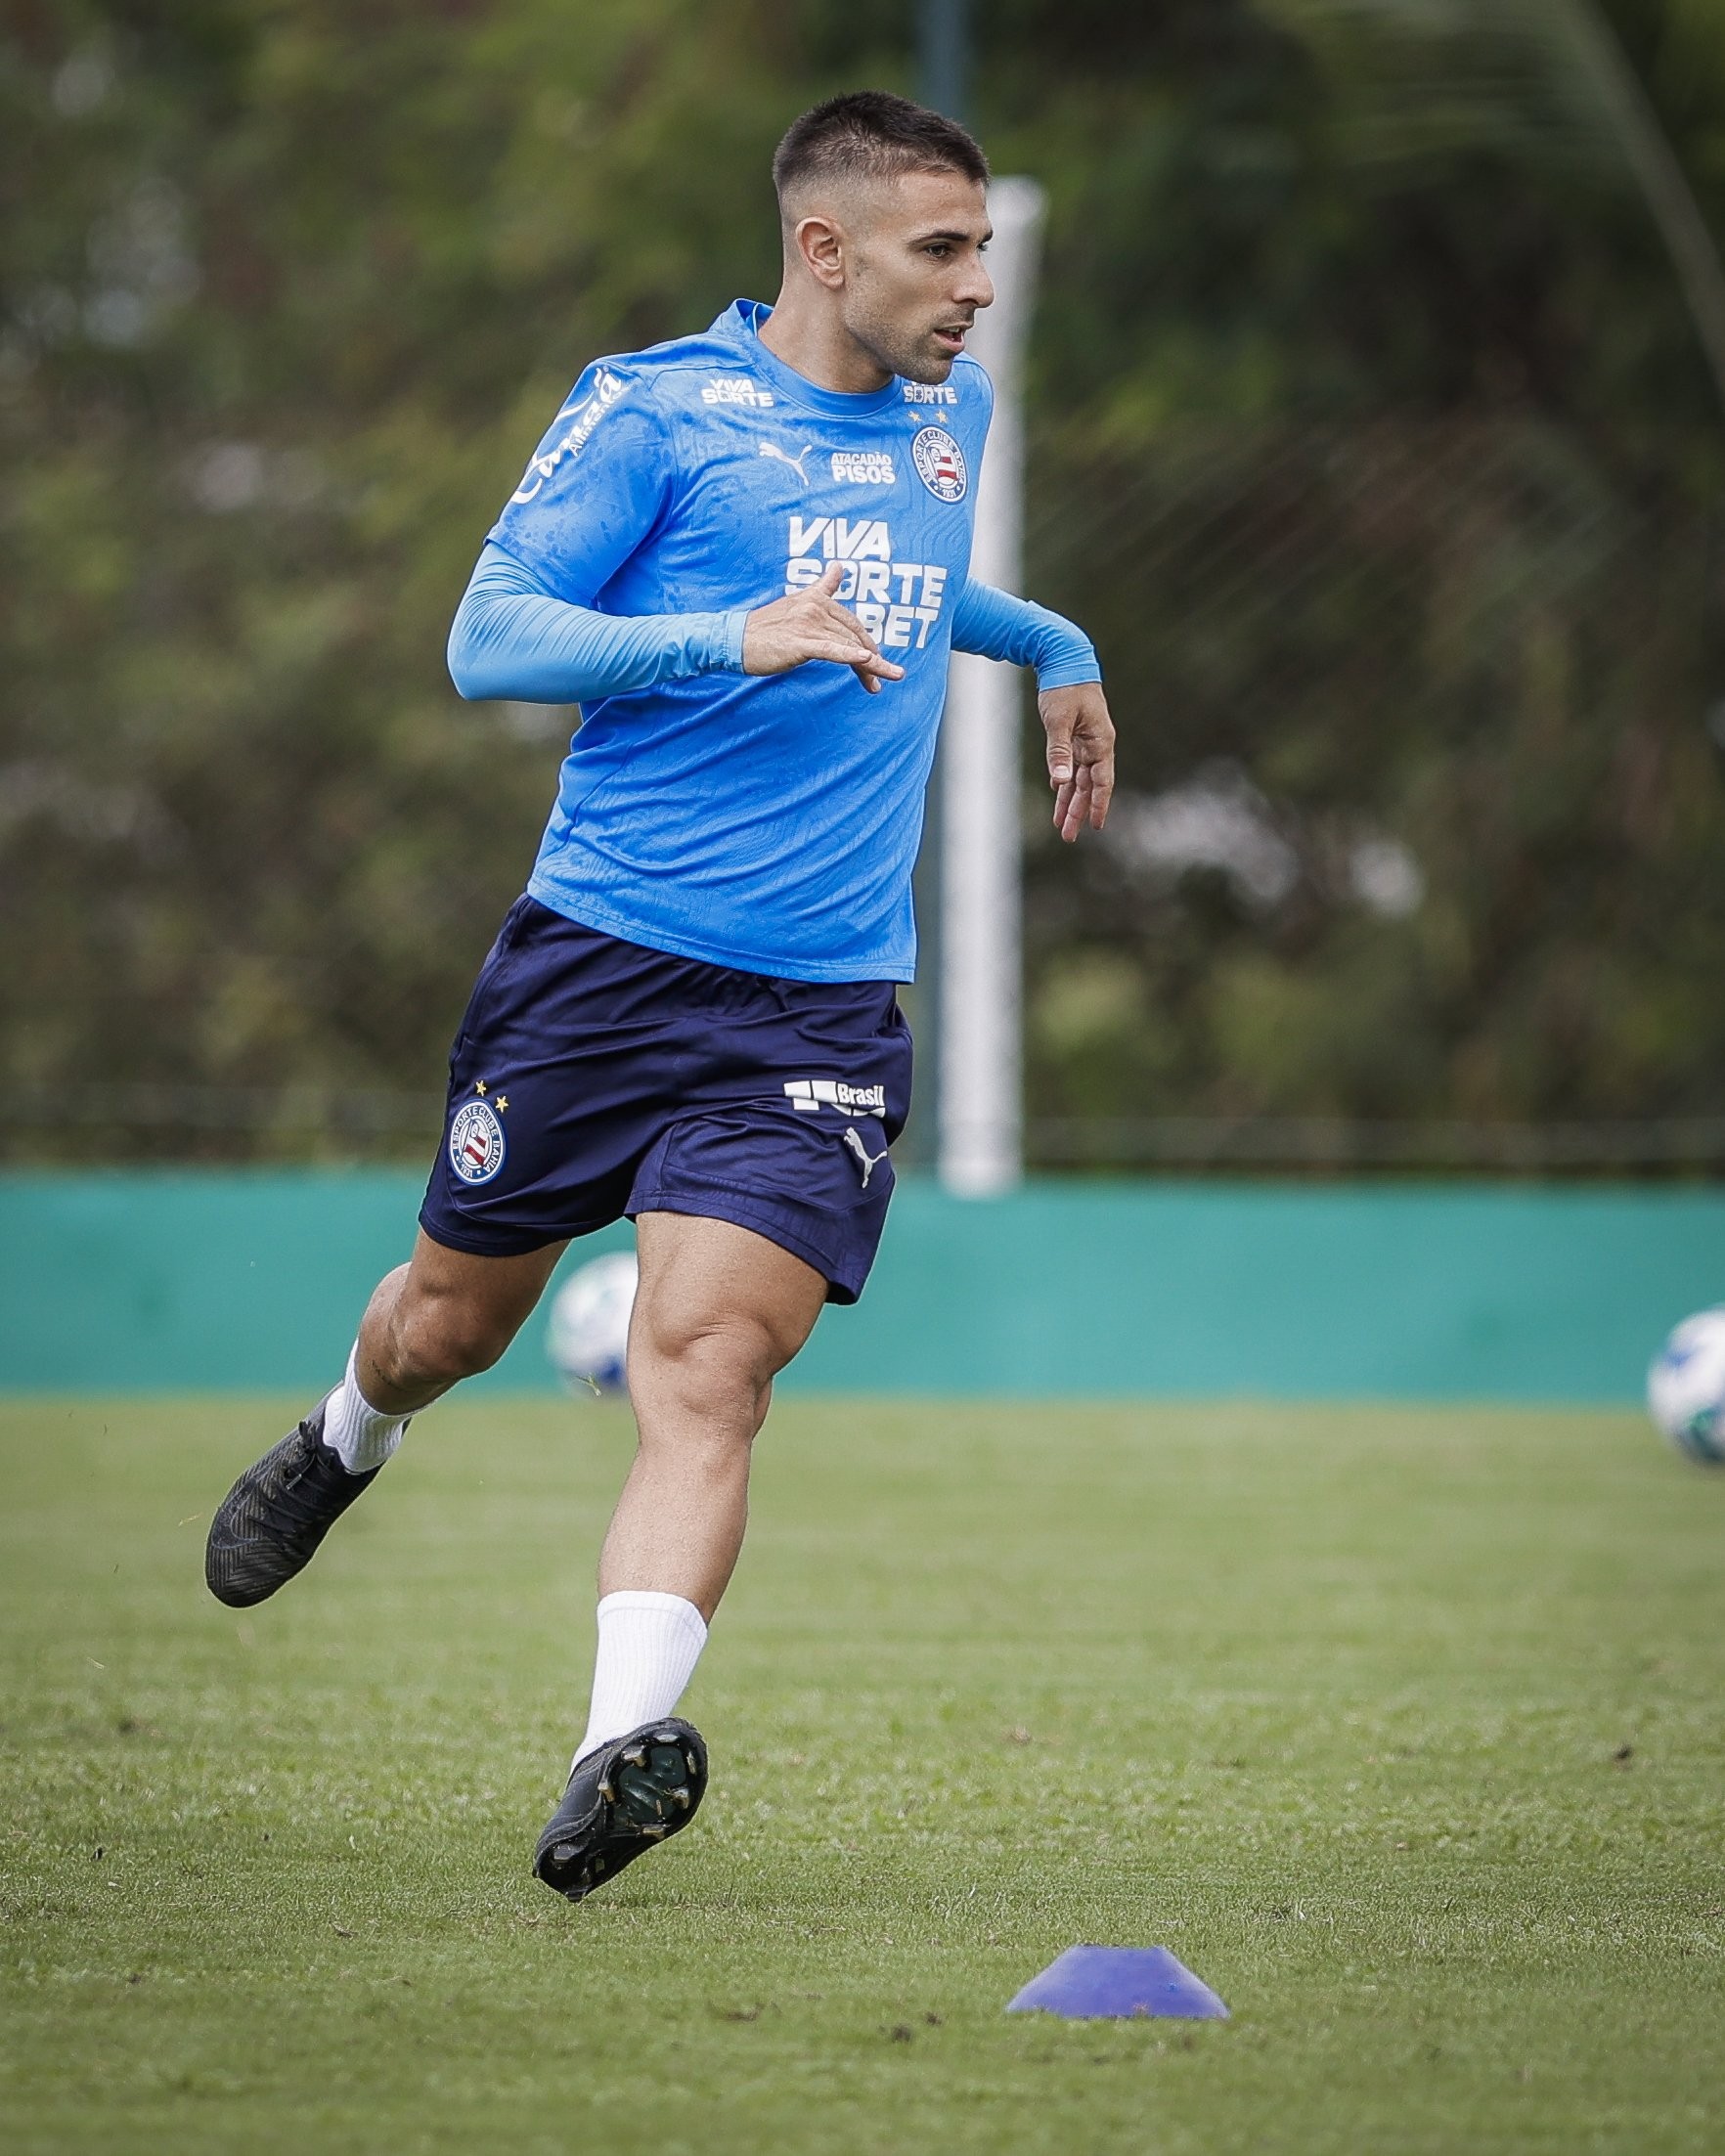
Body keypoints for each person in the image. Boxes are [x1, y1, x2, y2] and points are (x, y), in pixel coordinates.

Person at [204, 89, 1115, 1902]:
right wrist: (725, 630)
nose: (979, 289)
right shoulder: (655, 412)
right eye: (945, 250)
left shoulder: (951, 419)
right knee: (451, 1326)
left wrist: (1055, 644)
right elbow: (493, 636)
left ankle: (613, 1751)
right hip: (599, 971)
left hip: (821, 1007)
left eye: (984, 251)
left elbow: (916, 591)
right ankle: (346, 1432)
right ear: (822, 248)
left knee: (707, 1367)